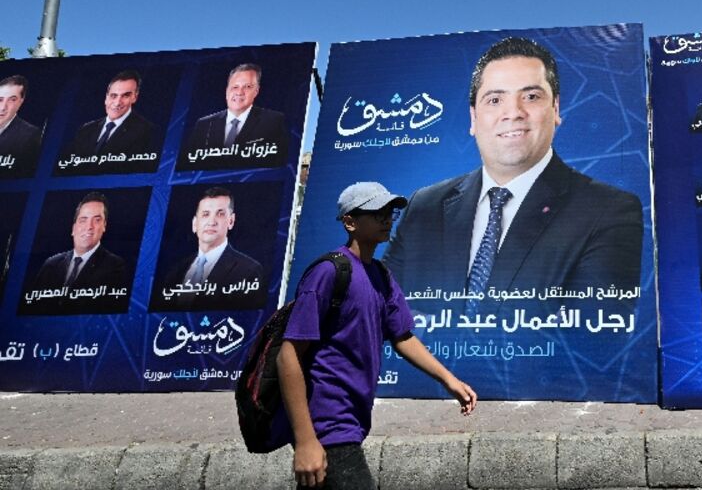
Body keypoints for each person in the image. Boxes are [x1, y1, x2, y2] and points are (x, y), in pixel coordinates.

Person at [382, 37, 643, 298]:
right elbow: (377, 308)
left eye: (530, 96)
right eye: (495, 100)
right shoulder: (424, 207)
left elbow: (595, 331)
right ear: (473, 118)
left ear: (555, 109)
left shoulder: (609, 211)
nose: (513, 112)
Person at [277, 181, 476, 489]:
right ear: (350, 221)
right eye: (376, 212)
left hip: (354, 419)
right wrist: (305, 440)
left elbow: (403, 336)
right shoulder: (329, 272)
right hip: (328, 419)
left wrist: (448, 380)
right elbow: (288, 354)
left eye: (389, 212)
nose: (387, 218)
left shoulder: (381, 275)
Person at [150, 187, 267, 311]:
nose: (212, 222)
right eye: (205, 214)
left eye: (220, 214)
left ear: (231, 221)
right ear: (195, 224)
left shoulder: (249, 271)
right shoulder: (175, 272)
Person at [22, 192, 131, 315]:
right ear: (73, 228)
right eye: (83, 220)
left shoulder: (115, 266)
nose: (89, 227)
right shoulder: (50, 265)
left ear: (104, 226)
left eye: (97, 220)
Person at [180, 63, 288, 168]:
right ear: (227, 90)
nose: (239, 92)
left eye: (247, 86)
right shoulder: (204, 124)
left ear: (256, 91)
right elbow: (190, 163)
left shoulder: (273, 121)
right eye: (235, 87)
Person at [59, 70, 157, 174]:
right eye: (113, 96)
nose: (117, 102)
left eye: (125, 95)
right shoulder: (86, 130)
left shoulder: (147, 131)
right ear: (106, 97)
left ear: (135, 97)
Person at [0, 75, 42, 177]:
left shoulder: (31, 135)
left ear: (21, 101)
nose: (3, 108)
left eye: (12, 100)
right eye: (0, 99)